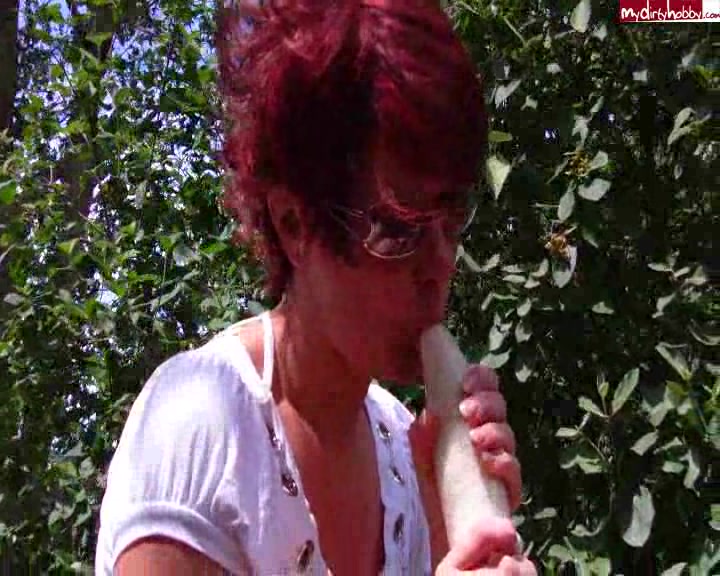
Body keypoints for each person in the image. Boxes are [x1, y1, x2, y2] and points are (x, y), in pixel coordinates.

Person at [95, 0, 536, 574]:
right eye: (394, 231)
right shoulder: (201, 428)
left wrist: (444, 524)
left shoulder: (402, 449)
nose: (440, 264)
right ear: (294, 225)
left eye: (451, 219)